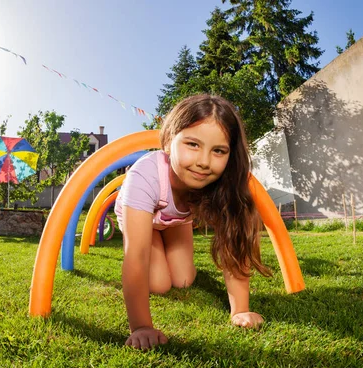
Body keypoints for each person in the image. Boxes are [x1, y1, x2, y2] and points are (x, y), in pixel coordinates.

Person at [114, 94, 272, 350]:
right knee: (159, 284)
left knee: (184, 279)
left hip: (175, 222)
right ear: (168, 142)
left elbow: (233, 245)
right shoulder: (145, 176)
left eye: (218, 150)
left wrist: (240, 310)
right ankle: (160, 243)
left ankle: (168, 245)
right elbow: (137, 255)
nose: (203, 162)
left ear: (230, 155)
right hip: (141, 217)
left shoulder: (222, 184)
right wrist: (141, 327)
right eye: (193, 145)